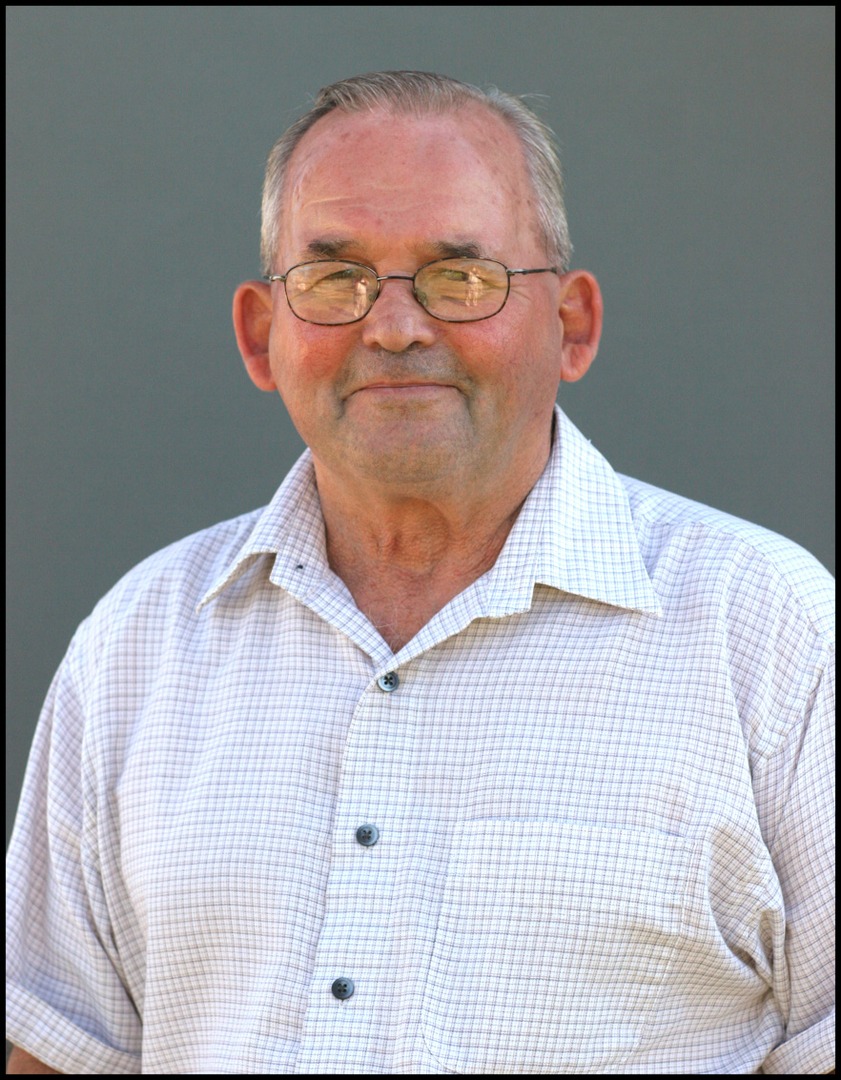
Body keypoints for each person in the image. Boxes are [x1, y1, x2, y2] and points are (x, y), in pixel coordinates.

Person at [5, 70, 834, 1076]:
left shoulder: (771, 635)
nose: (394, 328)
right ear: (260, 335)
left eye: (460, 275)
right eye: (334, 278)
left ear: (572, 324)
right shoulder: (138, 646)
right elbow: (54, 1051)